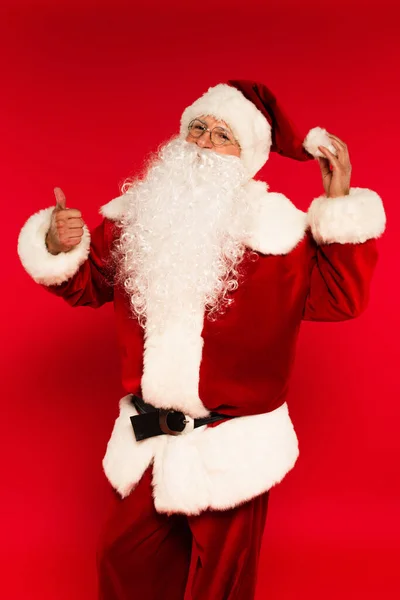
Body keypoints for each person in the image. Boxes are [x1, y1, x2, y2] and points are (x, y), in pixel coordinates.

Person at [17, 80, 386, 600]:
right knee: (124, 565)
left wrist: (339, 203)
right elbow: (86, 283)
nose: (204, 143)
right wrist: (57, 243)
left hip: (230, 446)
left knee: (221, 586)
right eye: (197, 128)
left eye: (222, 135)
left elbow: (341, 298)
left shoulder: (278, 232)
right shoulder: (137, 219)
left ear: (249, 156)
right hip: (148, 436)